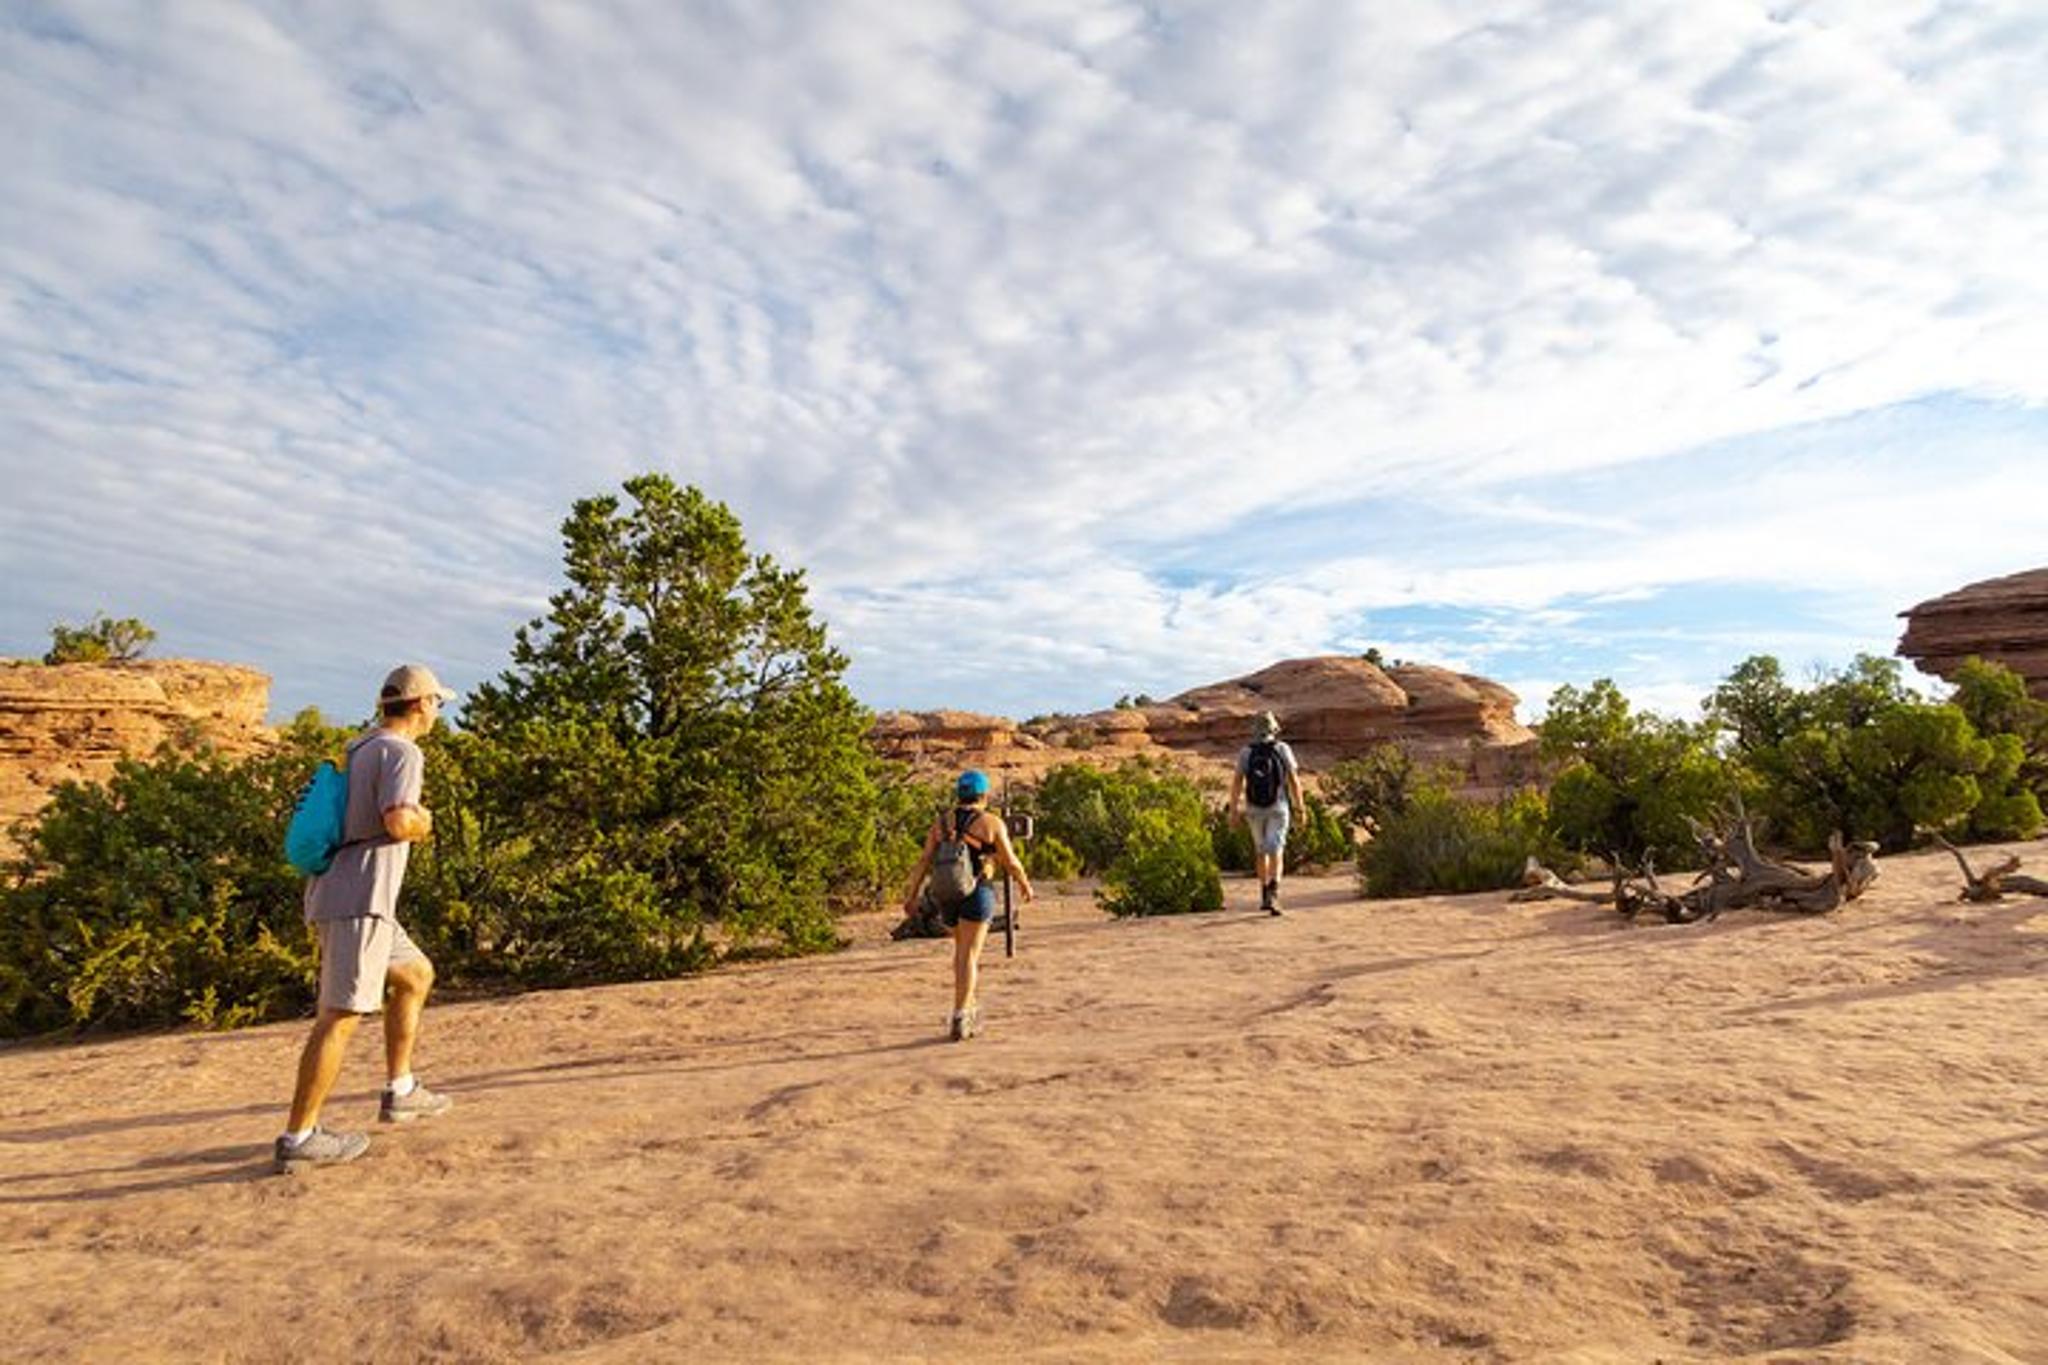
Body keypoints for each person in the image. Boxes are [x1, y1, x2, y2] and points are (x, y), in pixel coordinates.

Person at [275, 664, 458, 1171]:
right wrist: (424, 822)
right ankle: (299, 1139)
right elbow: (398, 820)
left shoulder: (360, 746)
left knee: (415, 974)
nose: (438, 712)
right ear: (421, 704)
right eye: (437, 703)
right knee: (340, 1016)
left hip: (352, 894)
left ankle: (400, 1090)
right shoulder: (402, 752)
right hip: (361, 899)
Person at [900, 770, 1033, 1041]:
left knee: (961, 953)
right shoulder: (991, 822)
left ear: (959, 794)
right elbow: (1010, 860)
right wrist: (1024, 883)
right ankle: (961, 1015)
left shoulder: (941, 824)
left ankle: (968, 1006)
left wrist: (911, 895)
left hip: (946, 895)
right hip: (977, 891)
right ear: (983, 795)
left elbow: (924, 862)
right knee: (970, 955)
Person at [1229, 710, 1307, 915]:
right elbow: (1293, 780)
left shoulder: (1246, 752)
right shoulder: (1282, 749)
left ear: (1254, 730)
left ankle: (1264, 892)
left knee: (1261, 850)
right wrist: (1301, 808)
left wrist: (1233, 810)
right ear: (1274, 729)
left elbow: (1237, 782)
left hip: (1254, 808)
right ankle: (1274, 892)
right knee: (1276, 849)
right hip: (1278, 806)